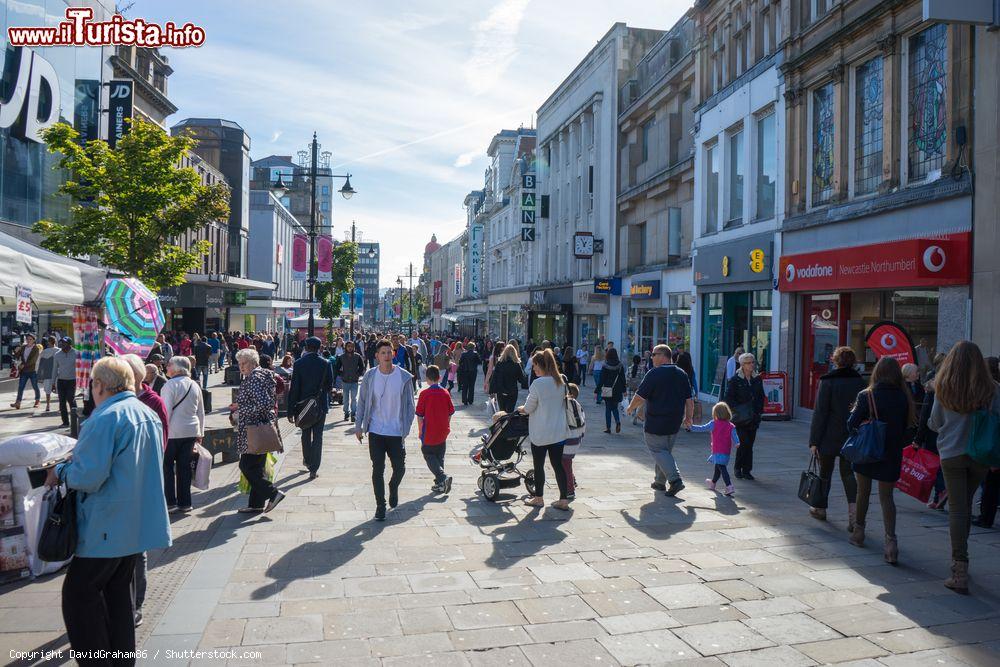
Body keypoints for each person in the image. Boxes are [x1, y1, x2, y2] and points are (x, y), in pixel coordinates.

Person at [46, 357, 170, 659]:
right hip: (134, 525)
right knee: (118, 599)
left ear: (99, 385)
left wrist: (60, 472)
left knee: (78, 596)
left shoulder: (104, 418)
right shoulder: (145, 412)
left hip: (104, 527)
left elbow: (88, 476)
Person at [928, 341, 1000, 592]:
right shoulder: (992, 389)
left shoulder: (944, 387)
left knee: (958, 510)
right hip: (981, 454)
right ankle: (962, 556)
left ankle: (959, 568)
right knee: (965, 506)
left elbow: (935, 423)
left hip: (951, 454)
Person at [847, 356, 915, 565]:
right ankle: (891, 543)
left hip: (867, 452)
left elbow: (851, 424)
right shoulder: (904, 397)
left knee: (863, 493)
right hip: (891, 455)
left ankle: (859, 532)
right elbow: (909, 430)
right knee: (887, 499)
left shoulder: (867, 395)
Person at [121, 354, 168, 627]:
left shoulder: (153, 403)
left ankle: (135, 604)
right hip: (119, 493)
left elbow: (160, 443)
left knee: (137, 550)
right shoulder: (111, 407)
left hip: (139, 486)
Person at [355, 340, 416, 521]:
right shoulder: (370, 376)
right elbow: (363, 402)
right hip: (376, 430)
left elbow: (410, 406)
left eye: (389, 352)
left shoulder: (404, 377)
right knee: (377, 469)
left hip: (396, 431)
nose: (387, 356)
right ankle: (380, 506)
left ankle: (393, 486)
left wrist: (406, 427)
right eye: (383, 353)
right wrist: (358, 426)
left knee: (400, 468)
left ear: (394, 354)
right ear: (377, 356)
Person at [808, 346, 867, 527]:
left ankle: (820, 508)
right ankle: (854, 517)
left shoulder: (827, 381)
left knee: (825, 473)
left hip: (829, 436)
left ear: (835, 361)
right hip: (851, 435)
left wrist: (814, 441)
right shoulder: (860, 382)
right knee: (848, 474)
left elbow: (820, 413)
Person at [626, 345, 693, 497]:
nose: (651, 357)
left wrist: (630, 408)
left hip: (656, 421)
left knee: (658, 450)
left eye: (654, 354)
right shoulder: (682, 374)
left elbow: (639, 396)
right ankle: (659, 482)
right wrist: (688, 418)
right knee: (665, 451)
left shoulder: (654, 374)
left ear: (663, 356)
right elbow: (689, 400)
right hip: (674, 422)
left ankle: (675, 480)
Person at [232, 348, 285, 514]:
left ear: (253, 362)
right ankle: (256, 504)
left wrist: (240, 410)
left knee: (246, 465)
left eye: (244, 363)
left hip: (254, 429)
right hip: (260, 427)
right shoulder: (261, 375)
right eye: (239, 364)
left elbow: (262, 405)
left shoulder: (254, 378)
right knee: (257, 467)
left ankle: (273, 493)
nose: (241, 367)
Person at [518, 349, 571, 510]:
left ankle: (539, 497)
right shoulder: (561, 381)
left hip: (540, 432)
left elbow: (528, 407)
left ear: (541, 365)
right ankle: (563, 499)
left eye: (535, 366)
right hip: (558, 432)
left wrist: (521, 409)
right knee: (558, 465)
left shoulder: (538, 384)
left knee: (539, 465)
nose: (533, 369)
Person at [160, 357, 205, 513]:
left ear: (177, 368)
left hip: (172, 433)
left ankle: (170, 501)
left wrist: (162, 432)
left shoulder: (169, 385)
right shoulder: (194, 385)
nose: (167, 367)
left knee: (166, 467)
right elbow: (201, 411)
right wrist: (200, 432)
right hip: (191, 431)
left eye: (169, 365)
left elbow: (166, 411)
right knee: (184, 468)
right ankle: (185, 502)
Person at [287, 336, 334, 480]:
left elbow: (294, 388)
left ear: (306, 348)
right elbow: (329, 385)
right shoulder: (326, 363)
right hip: (320, 405)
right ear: (320, 348)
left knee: (305, 434)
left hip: (303, 406)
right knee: (318, 436)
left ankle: (307, 460)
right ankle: (314, 468)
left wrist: (290, 410)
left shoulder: (299, 364)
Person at [724, 353, 765, 480]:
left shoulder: (757, 379)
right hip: (740, 418)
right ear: (742, 365)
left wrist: (758, 410)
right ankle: (738, 468)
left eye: (753, 362)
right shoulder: (735, 380)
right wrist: (739, 409)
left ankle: (747, 470)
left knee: (750, 444)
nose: (751, 364)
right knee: (743, 443)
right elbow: (728, 399)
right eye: (748, 362)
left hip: (753, 417)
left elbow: (761, 396)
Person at [416, 365, 454, 494]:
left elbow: (420, 415)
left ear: (427, 378)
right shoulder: (445, 392)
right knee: (439, 456)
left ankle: (443, 477)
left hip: (429, 430)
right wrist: (446, 426)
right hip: (443, 430)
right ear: (439, 377)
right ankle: (440, 484)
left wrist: (420, 430)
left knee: (428, 454)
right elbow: (450, 413)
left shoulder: (425, 394)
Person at [689, 402, 740, 496]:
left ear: (716, 413)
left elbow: (702, 428)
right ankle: (713, 483)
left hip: (717, 450)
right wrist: (737, 443)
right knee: (718, 467)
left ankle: (729, 486)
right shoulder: (730, 425)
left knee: (721, 468)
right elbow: (735, 435)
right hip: (726, 451)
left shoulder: (714, 423)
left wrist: (691, 427)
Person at [564, 383, 585, 501]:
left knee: (564, 464)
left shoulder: (567, 405)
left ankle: (570, 490)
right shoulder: (577, 405)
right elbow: (583, 423)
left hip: (568, 439)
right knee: (567, 462)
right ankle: (572, 480)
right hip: (576, 439)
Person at [10, 333, 42, 410]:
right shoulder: (23, 347)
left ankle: (37, 401)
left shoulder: (36, 348)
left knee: (35, 386)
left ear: (34, 340)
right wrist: (16, 351)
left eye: (30, 339)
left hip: (32, 371)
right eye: (27, 339)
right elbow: (17, 356)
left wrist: (24, 365)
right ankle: (18, 402)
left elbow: (33, 360)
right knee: (21, 387)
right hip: (24, 371)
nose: (28, 341)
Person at [598, 348, 627, 434]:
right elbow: (623, 379)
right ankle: (617, 421)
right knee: (614, 407)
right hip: (617, 389)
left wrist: (597, 390)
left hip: (607, 388)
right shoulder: (620, 365)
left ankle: (608, 428)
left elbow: (602, 379)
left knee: (608, 408)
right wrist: (624, 390)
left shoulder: (605, 365)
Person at [335, 340, 365, 422]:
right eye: (348, 346)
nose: (350, 348)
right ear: (346, 347)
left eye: (352, 346)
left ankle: (353, 414)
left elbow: (362, 367)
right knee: (345, 398)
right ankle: (346, 413)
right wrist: (342, 374)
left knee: (354, 398)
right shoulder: (341, 357)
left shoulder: (357, 356)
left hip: (354, 381)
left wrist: (358, 374)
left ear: (354, 347)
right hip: (345, 381)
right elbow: (337, 368)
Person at [51, 337, 78, 428]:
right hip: (61, 381)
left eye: (65, 343)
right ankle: (65, 422)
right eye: (62, 343)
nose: (63, 345)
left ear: (70, 344)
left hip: (72, 380)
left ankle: (76, 420)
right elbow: (54, 369)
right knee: (62, 402)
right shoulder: (57, 354)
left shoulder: (76, 353)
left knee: (71, 399)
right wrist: (53, 383)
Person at [491, 344, 525, 414]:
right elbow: (521, 379)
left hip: (501, 391)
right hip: (512, 391)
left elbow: (494, 378)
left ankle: (502, 424)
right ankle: (508, 424)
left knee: (502, 412)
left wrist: (492, 390)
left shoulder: (499, 364)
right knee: (510, 411)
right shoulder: (516, 364)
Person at [38, 336, 57, 412]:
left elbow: (40, 365)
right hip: (57, 374)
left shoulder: (44, 352)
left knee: (48, 391)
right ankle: (60, 406)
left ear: (48, 342)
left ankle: (48, 405)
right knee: (59, 391)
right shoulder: (59, 351)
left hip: (47, 374)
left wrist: (40, 376)